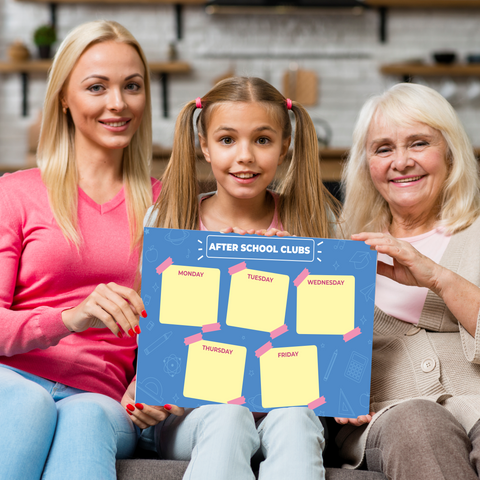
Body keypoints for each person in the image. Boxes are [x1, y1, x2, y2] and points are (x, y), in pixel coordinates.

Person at [130, 76, 340, 480]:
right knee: (228, 415)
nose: (245, 156)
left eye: (262, 140)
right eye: (227, 140)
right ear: (204, 146)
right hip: (193, 413)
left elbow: (331, 340)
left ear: (284, 147)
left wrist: (287, 269)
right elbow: (155, 329)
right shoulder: (170, 221)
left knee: (296, 419)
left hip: (287, 405)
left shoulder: (315, 220)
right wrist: (144, 388)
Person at [0, 20, 164, 480]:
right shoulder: (14, 194)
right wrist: (70, 317)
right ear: (64, 100)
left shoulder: (168, 207)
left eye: (132, 86)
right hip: (11, 381)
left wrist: (145, 386)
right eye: (97, 87)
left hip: (100, 397)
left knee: (86, 417)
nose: (118, 103)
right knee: (28, 401)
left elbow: (181, 329)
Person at [336, 82, 480, 479]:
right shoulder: (337, 246)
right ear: (366, 164)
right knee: (419, 420)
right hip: (388, 416)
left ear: (450, 153)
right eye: (383, 148)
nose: (401, 162)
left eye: (418, 143)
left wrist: (437, 278)